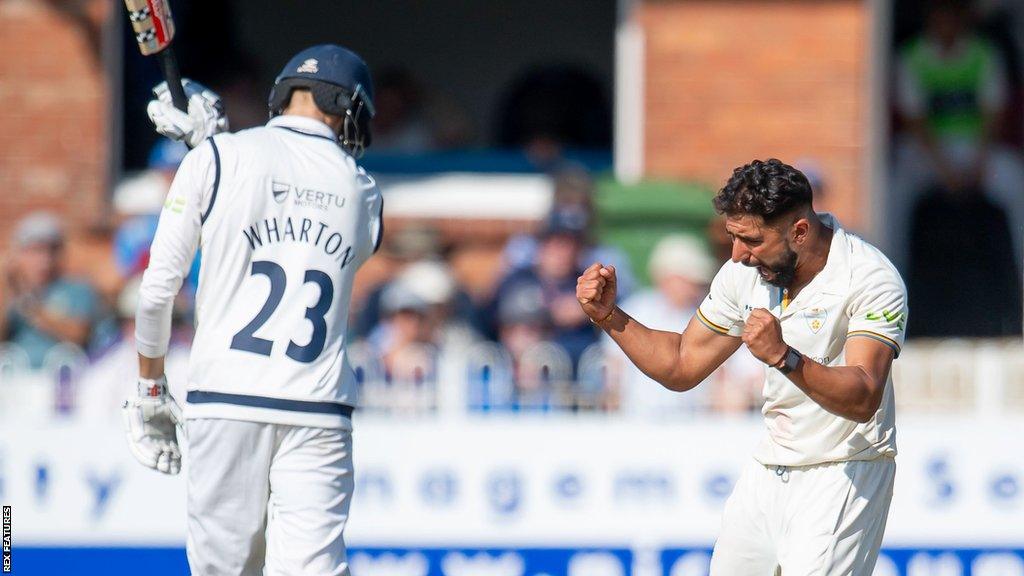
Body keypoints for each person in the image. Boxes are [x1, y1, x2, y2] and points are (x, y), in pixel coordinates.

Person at [122, 45, 382, 576]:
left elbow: (156, 294)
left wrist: (150, 387)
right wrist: (214, 145)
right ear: (343, 104)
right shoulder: (366, 193)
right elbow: (299, 191)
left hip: (226, 401)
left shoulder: (217, 160)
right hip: (318, 409)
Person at [578, 159, 907, 574]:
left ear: (800, 232)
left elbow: (863, 395)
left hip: (844, 470)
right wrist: (610, 316)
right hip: (769, 468)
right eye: (732, 238)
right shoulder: (743, 273)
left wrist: (783, 357)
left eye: (750, 240)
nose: (738, 255)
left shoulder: (871, 278)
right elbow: (681, 364)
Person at [0, 212, 103, 369]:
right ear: (18, 254)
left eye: (51, 251)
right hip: (14, 379)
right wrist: (6, 289)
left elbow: (79, 335)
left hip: (62, 381)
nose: (44, 260)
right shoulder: (7, 292)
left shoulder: (77, 288)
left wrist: (29, 306)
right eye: (35, 251)